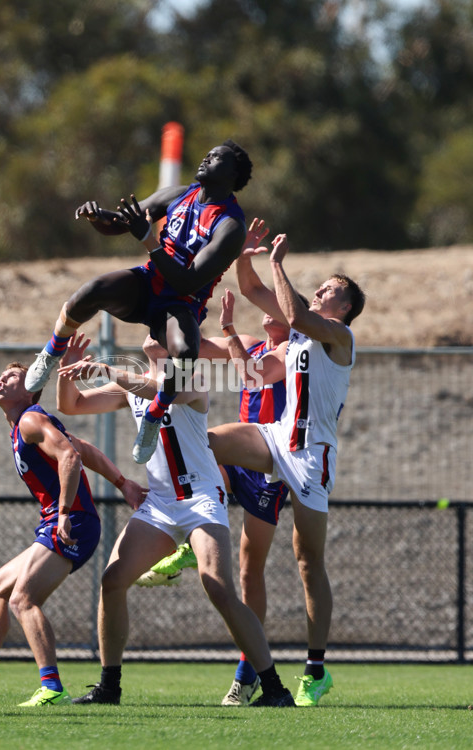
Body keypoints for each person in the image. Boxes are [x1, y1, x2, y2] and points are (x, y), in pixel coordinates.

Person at [55, 331, 295, 708]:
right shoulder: (133, 387)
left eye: (163, 330)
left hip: (201, 498)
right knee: (113, 580)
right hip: (162, 503)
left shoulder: (191, 378)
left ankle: (276, 689)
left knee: (217, 586)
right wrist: (64, 371)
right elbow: (71, 406)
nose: (152, 332)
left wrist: (105, 369)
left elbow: (162, 391)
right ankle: (108, 688)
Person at [207, 227, 366, 708]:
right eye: (321, 287)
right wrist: (242, 255)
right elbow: (256, 299)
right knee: (206, 442)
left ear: (344, 309)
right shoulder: (295, 341)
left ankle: (315, 669)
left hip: (311, 458)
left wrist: (277, 263)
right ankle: (198, 531)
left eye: (330, 291)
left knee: (307, 562)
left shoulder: (339, 336)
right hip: (277, 437)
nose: (321, 291)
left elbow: (291, 308)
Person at [25, 140, 253, 466]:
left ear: (233, 174)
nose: (207, 157)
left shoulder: (231, 225)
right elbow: (122, 222)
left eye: (218, 157)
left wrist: (148, 237)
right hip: (148, 285)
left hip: (180, 303)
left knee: (186, 352)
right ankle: (50, 352)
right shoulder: (179, 195)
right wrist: (98, 217)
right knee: (90, 292)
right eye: (209, 152)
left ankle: (155, 414)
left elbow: (187, 281)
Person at [0, 362, 146, 707]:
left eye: (13, 376)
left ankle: (51, 687)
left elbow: (69, 457)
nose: (2, 378)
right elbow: (82, 448)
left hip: (72, 521)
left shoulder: (31, 419)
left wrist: (64, 512)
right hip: (61, 520)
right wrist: (124, 484)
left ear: (31, 389)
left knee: (23, 599)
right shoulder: (25, 425)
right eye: (1, 373)